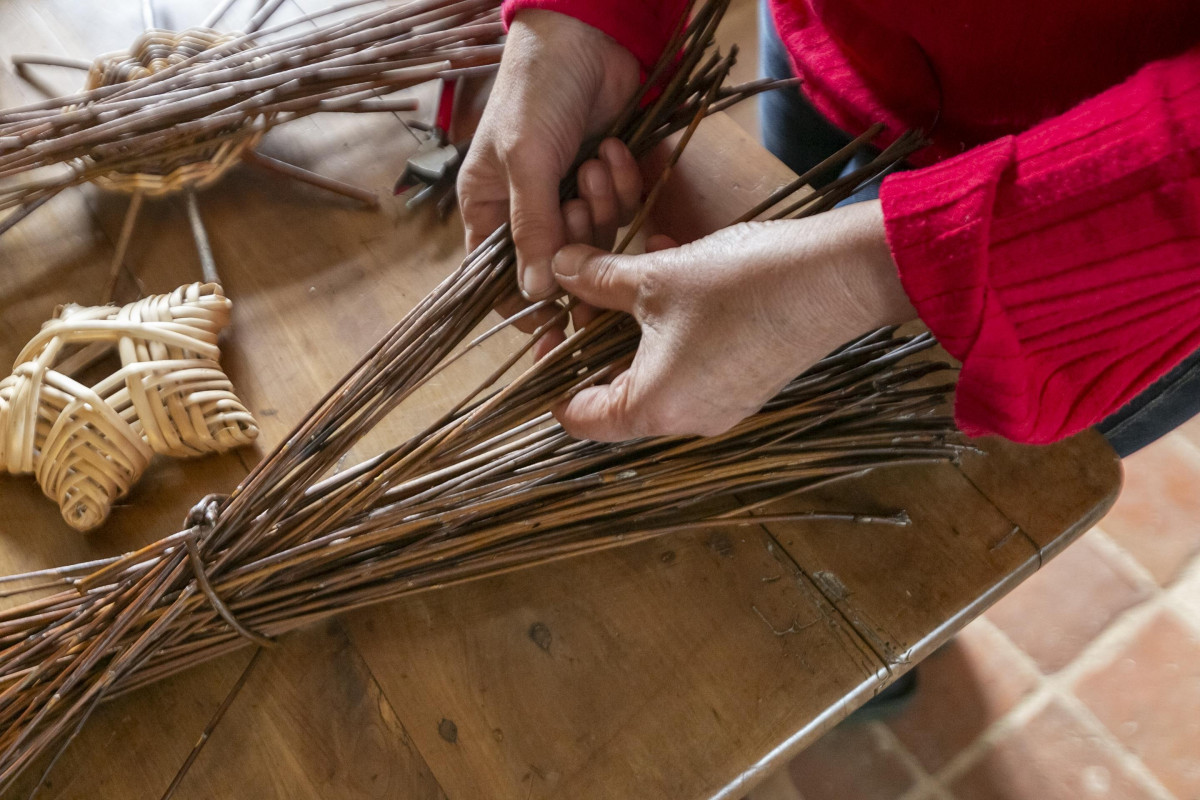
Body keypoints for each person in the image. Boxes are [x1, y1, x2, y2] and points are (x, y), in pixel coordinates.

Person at [456, 0, 1200, 456]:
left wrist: (861, 276)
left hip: (1108, 234)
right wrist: (591, 17)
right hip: (838, 46)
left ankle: (896, 679)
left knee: (909, 531)